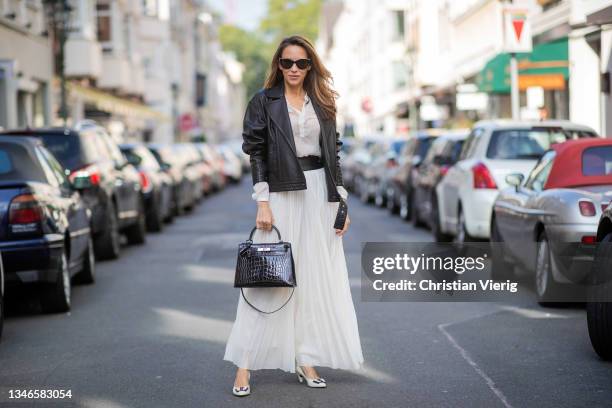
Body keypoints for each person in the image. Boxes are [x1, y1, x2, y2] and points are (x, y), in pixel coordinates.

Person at [223, 35, 365, 397]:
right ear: (279, 65)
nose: (294, 70)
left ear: (310, 66)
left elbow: (333, 152)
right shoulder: (263, 101)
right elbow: (255, 152)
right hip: (283, 192)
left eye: (302, 63)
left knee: (315, 281)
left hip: (320, 194)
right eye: (287, 63)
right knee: (270, 279)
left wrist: (341, 202)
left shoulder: (323, 101)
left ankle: (306, 358)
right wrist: (262, 201)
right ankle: (244, 366)